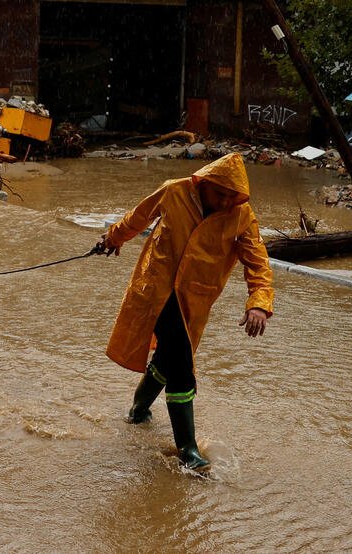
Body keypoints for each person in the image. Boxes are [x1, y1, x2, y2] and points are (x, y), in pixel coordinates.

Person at [98, 152, 274, 472]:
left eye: (230, 196)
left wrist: (259, 303)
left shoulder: (241, 216)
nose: (224, 202)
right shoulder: (174, 192)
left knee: (167, 357)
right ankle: (188, 450)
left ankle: (138, 409)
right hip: (158, 290)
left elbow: (258, 264)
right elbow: (138, 217)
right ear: (202, 183)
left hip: (195, 301)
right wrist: (113, 237)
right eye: (219, 194)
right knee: (181, 364)